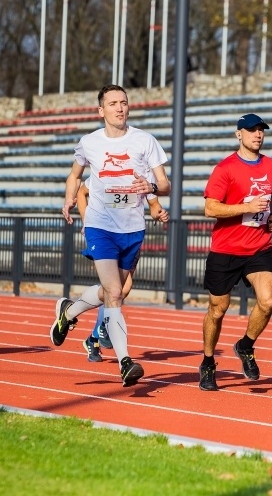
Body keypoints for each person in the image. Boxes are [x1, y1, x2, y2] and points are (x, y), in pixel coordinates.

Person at [53, 84, 170, 386]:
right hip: (100, 226)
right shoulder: (89, 142)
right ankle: (125, 362)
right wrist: (68, 199)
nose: (119, 108)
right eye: (113, 103)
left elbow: (165, 185)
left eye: (124, 102)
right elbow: (74, 175)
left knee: (113, 291)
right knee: (115, 293)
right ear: (101, 110)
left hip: (132, 229)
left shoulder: (145, 140)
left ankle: (69, 312)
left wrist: (151, 188)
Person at [198, 113, 272, 391]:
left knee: (268, 301)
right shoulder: (225, 168)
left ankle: (245, 345)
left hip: (259, 247)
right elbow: (210, 208)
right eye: (251, 130)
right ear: (239, 134)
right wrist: (247, 207)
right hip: (226, 249)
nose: (257, 134)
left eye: (261, 130)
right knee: (218, 310)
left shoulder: (270, 165)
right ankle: (208, 362)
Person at [76, 178, 169, 363]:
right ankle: (100, 329)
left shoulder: (142, 178)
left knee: (120, 291)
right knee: (117, 289)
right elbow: (81, 192)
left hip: (130, 236)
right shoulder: (103, 173)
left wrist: (160, 213)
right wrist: (87, 221)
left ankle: (93, 337)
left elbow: (154, 206)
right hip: (106, 236)